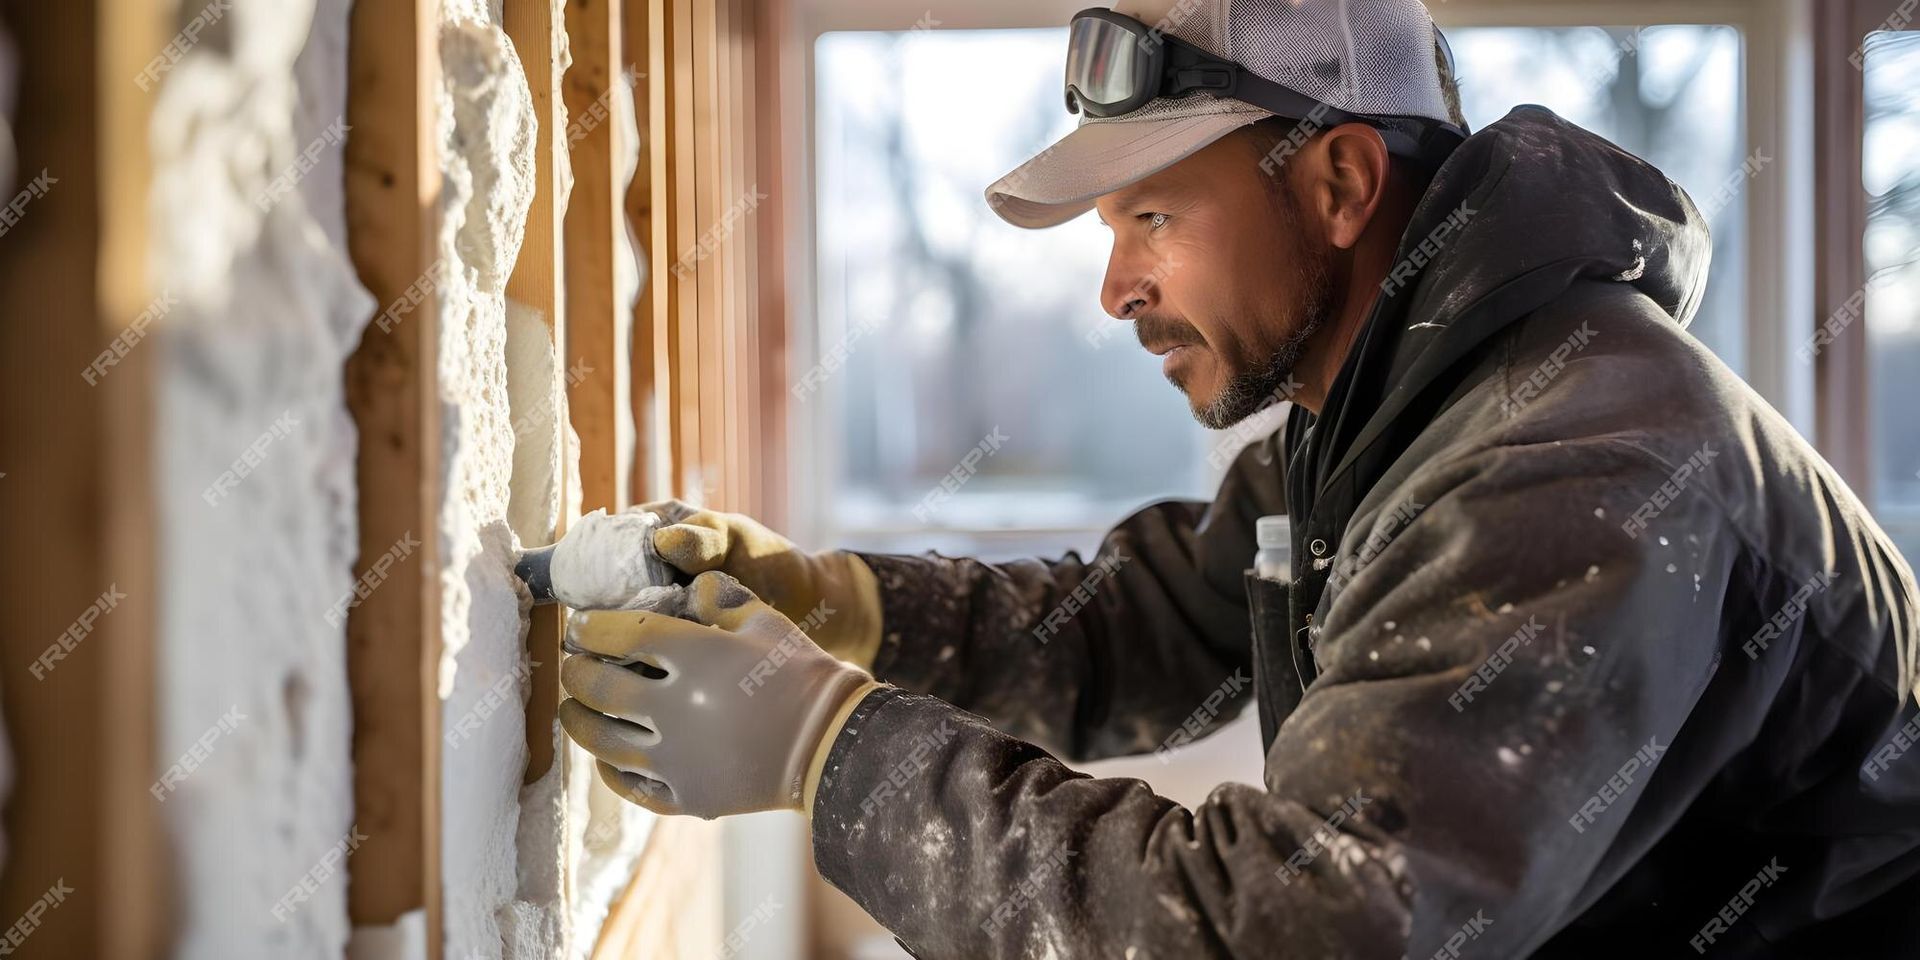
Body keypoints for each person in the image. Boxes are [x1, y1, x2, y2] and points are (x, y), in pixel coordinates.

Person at [556, 1, 1920, 955]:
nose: (1114, 288)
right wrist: (836, 603)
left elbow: (1301, 930)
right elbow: (1143, 627)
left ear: (1335, 183)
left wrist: (826, 750)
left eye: (1153, 215)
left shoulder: (1573, 467)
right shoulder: (1385, 417)